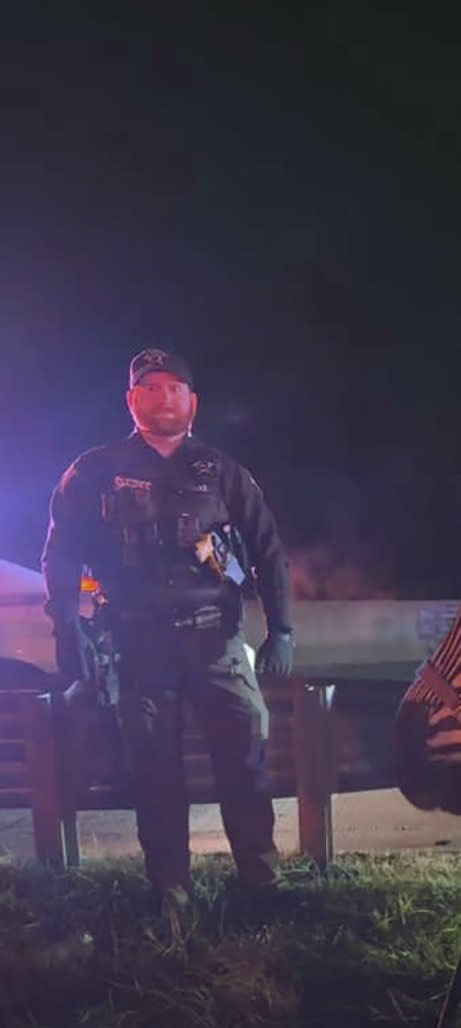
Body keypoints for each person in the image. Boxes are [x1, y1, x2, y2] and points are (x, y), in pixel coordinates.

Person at [42, 347, 294, 908]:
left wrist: (282, 629)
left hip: (217, 641)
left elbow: (268, 551)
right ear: (131, 400)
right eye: (150, 389)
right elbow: (61, 554)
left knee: (245, 766)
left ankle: (261, 880)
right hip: (136, 646)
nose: (163, 399)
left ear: (193, 402)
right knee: (153, 773)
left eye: (174, 389)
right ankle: (171, 889)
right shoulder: (94, 471)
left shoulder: (224, 472)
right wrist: (68, 626)